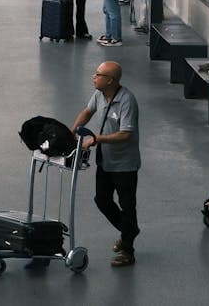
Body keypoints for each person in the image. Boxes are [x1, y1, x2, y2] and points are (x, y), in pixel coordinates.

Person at [72, 61, 140, 267]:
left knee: (127, 206)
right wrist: (73, 130)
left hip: (124, 164)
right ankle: (130, 230)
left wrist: (96, 139)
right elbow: (87, 111)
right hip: (105, 160)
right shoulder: (100, 94)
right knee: (102, 199)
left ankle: (128, 251)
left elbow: (126, 134)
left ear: (110, 80)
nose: (94, 77)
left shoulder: (127, 101)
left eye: (98, 74)